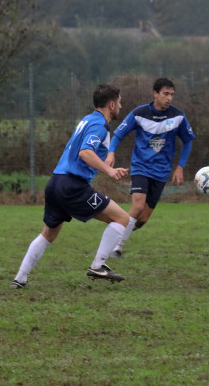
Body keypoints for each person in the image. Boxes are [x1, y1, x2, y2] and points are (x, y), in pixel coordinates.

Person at [11, 84, 131, 288]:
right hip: (72, 186)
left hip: (56, 182)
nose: (121, 106)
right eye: (119, 102)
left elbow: (86, 152)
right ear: (111, 105)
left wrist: (103, 163)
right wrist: (109, 171)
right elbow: (85, 152)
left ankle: (20, 278)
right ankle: (98, 265)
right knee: (122, 218)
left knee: (48, 233)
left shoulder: (87, 119)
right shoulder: (99, 125)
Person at [104, 77, 195, 259]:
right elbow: (118, 134)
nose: (169, 98)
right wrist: (111, 152)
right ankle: (117, 246)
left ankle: (117, 230)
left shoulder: (178, 116)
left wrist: (180, 167)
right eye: (165, 94)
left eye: (172, 95)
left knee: (143, 218)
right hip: (141, 167)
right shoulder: (139, 113)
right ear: (155, 93)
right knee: (137, 206)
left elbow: (188, 141)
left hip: (161, 172)